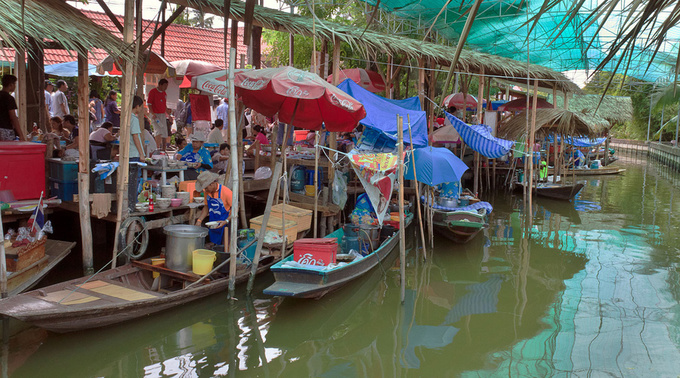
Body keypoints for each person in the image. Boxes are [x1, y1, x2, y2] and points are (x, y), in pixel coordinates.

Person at [194, 171, 233, 245]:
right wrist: (199, 220)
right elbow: (206, 208)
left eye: (206, 188)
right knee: (214, 244)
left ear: (212, 184)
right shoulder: (207, 193)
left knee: (225, 246)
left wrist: (226, 221)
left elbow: (236, 208)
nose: (205, 190)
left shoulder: (226, 192)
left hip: (227, 222)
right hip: (214, 221)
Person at [128, 95, 146, 213]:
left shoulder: (125, 117)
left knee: (129, 180)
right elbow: (135, 136)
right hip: (134, 154)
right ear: (137, 106)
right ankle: (132, 204)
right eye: (141, 106)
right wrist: (142, 154)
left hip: (128, 154)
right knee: (134, 181)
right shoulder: (133, 119)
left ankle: (130, 203)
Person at [0, 74, 25, 141]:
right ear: (11, 85)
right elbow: (13, 117)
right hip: (6, 130)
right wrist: (21, 135)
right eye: (14, 84)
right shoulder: (9, 98)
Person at [147, 78, 169, 150]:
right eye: (165, 86)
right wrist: (152, 113)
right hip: (155, 114)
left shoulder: (164, 93)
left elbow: (164, 104)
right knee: (158, 131)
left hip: (162, 114)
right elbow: (149, 104)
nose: (166, 88)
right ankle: (156, 148)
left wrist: (168, 112)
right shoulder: (153, 92)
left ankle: (164, 149)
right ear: (160, 85)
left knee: (164, 132)